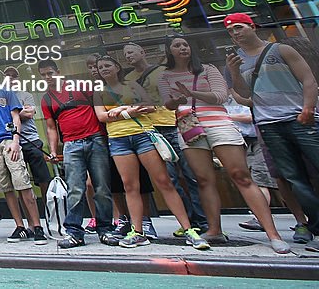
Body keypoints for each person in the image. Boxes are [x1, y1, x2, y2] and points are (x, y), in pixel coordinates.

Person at [157, 36, 289, 253]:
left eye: (185, 44)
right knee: (203, 180)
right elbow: (167, 103)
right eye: (177, 46)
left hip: (218, 123)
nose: (183, 48)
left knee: (240, 175)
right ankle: (214, 230)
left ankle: (273, 234)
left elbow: (220, 96)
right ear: (169, 51)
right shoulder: (165, 76)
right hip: (188, 127)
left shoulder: (207, 69)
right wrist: (177, 100)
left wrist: (192, 93)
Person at [92, 55, 210, 250]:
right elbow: (102, 116)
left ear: (116, 67)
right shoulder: (99, 92)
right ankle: (137, 232)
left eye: (107, 65)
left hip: (144, 135)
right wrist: (129, 111)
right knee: (130, 186)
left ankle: (189, 230)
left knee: (164, 181)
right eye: (100, 67)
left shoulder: (132, 85)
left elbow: (149, 107)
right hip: (119, 140)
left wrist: (120, 110)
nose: (104, 69)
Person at [225, 13, 319, 241]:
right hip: (268, 125)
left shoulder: (281, 50)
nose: (235, 33)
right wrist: (235, 73)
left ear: (251, 26)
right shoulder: (236, 60)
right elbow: (244, 95)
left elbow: (308, 79)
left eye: (238, 27)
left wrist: (308, 108)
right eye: (231, 30)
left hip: (299, 118)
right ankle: (312, 224)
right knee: (292, 177)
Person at [123, 42, 208, 235]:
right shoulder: (128, 78)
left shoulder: (162, 71)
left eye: (131, 52)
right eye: (125, 54)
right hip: (151, 130)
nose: (128, 56)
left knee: (191, 175)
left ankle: (203, 221)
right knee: (169, 178)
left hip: (174, 125)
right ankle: (187, 220)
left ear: (142, 52)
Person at [38, 59, 113, 248]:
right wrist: (54, 151)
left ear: (58, 71)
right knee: (75, 190)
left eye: (50, 73)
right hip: (71, 145)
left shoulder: (81, 86)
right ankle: (74, 233)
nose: (48, 77)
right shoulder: (46, 99)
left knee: (102, 187)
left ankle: (105, 229)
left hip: (95, 139)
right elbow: (51, 128)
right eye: (44, 75)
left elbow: (99, 109)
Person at [0, 62, 46, 244]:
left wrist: (16, 141)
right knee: (5, 187)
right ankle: (19, 226)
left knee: (22, 183)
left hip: (8, 139)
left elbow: (16, 116)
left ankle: (37, 227)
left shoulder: (7, 92)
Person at [2, 66, 52, 200]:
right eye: (8, 75)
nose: (11, 78)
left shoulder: (26, 95)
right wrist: (19, 111)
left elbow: (29, 114)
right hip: (12, 142)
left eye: (14, 76)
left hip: (31, 140)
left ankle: (48, 207)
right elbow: (3, 116)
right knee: (19, 180)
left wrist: (11, 112)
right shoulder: (1, 97)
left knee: (42, 177)